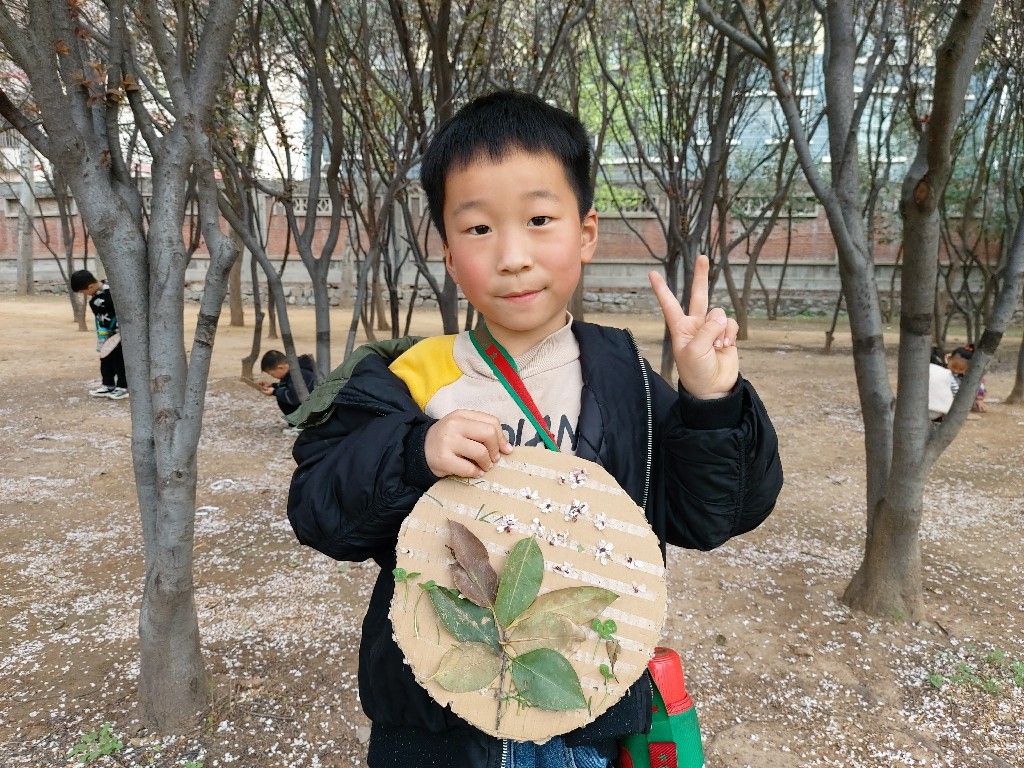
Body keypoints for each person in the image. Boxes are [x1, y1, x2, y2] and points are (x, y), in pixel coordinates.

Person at [286, 91, 783, 768]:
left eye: (540, 219)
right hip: (436, 726)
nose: (513, 255)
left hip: (582, 722)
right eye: (478, 229)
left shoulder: (625, 382)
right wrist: (414, 452)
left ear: (585, 232)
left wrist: (712, 399)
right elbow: (319, 511)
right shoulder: (410, 378)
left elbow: (714, 515)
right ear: (449, 253)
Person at [70, 269, 128, 400]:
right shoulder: (97, 296)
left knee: (119, 360)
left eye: (83, 292)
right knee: (105, 358)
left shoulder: (111, 291)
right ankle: (108, 384)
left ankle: (123, 387)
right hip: (105, 334)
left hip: (119, 334)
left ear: (90, 286)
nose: (85, 295)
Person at [259, 350, 317, 434]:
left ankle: (301, 426)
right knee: (281, 392)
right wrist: (273, 386)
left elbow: (295, 398)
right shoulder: (295, 369)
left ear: (280, 367)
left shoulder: (299, 374)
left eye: (272, 374)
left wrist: (274, 391)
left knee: (282, 396)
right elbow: (289, 386)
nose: (273, 377)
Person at [947, 345, 987, 413]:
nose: (956, 370)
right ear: (949, 359)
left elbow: (980, 386)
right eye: (954, 367)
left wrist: (979, 399)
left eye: (961, 369)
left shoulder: (968, 375)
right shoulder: (942, 370)